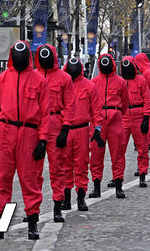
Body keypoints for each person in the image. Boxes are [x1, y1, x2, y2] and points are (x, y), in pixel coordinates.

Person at [0, 41, 49, 240]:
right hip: (6, 132)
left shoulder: (39, 81)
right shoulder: (2, 79)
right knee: (3, 180)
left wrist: (43, 140)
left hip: (29, 134)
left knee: (29, 180)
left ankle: (32, 223)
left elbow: (45, 114)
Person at [34, 44, 75, 221]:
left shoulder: (64, 78)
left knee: (58, 168)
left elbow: (70, 105)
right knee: (33, 171)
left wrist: (65, 128)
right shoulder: (32, 76)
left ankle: (58, 205)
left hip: (56, 123)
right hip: (35, 125)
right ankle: (32, 208)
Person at [63, 58, 103, 212]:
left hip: (82, 129)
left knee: (81, 164)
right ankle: (66, 198)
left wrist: (97, 129)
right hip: (65, 129)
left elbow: (96, 110)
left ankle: (81, 197)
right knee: (65, 165)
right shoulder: (62, 85)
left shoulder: (89, 86)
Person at [90, 54, 129, 199]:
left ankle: (119, 186)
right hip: (98, 120)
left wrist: (116, 113)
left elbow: (125, 102)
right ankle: (96, 186)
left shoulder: (121, 82)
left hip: (115, 117)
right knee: (96, 154)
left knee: (118, 153)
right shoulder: (93, 82)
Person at [119, 56, 150, 187]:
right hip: (124, 116)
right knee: (119, 149)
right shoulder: (120, 81)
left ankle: (143, 173)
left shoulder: (141, 80)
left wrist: (146, 118)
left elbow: (147, 99)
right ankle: (118, 177)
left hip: (138, 116)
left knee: (142, 148)